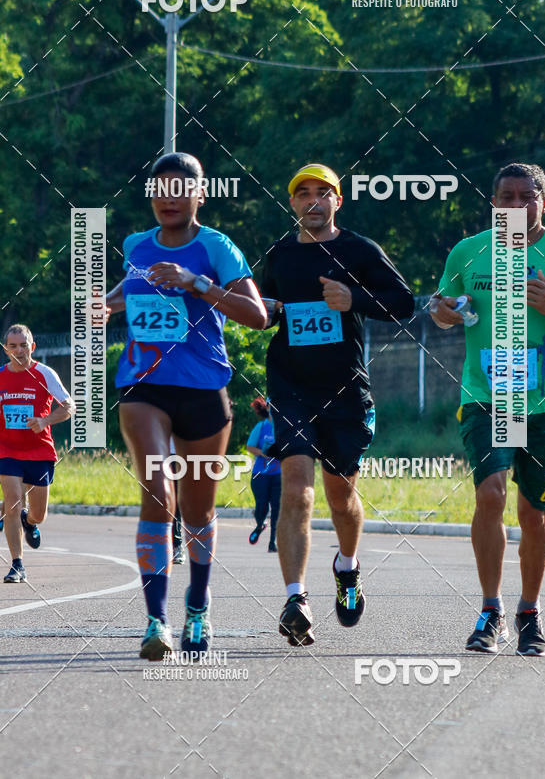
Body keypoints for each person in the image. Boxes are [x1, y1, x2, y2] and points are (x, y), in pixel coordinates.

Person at [430, 162, 545, 656]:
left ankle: (529, 610)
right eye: (505, 197)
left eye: (526, 197)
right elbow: (442, 311)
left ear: (544, 203)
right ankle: (490, 609)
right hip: (486, 398)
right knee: (490, 495)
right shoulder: (469, 250)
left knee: (532, 512)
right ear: (493, 203)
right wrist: (446, 309)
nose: (514, 206)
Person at [105, 152, 266, 660]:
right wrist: (103, 305)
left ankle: (198, 604)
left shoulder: (216, 246)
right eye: (159, 189)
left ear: (200, 195)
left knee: (198, 509)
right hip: (142, 386)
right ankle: (156, 621)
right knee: (157, 490)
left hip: (203, 391)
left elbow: (257, 316)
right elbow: (126, 294)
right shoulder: (135, 244)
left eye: (179, 189)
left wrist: (197, 284)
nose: (167, 198)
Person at [261, 163, 414, 646]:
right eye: (302, 193)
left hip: (345, 389)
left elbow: (404, 303)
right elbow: (260, 309)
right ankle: (295, 598)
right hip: (290, 385)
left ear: (337, 201)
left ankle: (346, 568)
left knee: (341, 497)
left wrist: (355, 298)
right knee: (295, 487)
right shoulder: (280, 255)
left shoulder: (358, 250)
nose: (312, 201)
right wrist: (267, 311)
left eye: (322, 193)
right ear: (292, 204)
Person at [0, 324, 74, 582]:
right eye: (13, 346)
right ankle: (17, 565)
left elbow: (68, 405)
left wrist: (45, 421)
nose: (18, 351)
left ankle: (28, 522)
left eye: (23, 345)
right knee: (13, 502)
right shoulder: (0, 376)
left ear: (32, 347)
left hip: (39, 451)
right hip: (7, 450)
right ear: (6, 348)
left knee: (37, 513)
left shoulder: (44, 374)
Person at [246, 397, 281, 552]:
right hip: (260, 473)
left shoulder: (284, 427)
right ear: (267, 407)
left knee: (277, 508)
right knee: (261, 506)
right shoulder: (261, 426)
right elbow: (250, 446)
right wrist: (263, 453)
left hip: (279, 474)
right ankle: (260, 524)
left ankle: (273, 542)